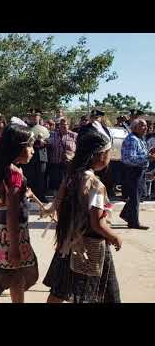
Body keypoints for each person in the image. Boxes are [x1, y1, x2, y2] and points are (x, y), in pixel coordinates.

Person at [43, 129, 122, 303]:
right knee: (104, 294)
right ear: (99, 156)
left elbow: (59, 207)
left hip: (69, 243)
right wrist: (115, 236)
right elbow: (97, 224)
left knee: (60, 289)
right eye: (108, 153)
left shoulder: (71, 177)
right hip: (91, 247)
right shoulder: (96, 185)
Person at [0, 123, 38, 303]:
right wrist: (14, 249)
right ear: (18, 148)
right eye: (29, 145)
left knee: (16, 280)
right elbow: (12, 213)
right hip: (11, 240)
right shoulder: (14, 175)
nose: (33, 150)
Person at [120, 119, 154, 229]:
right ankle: (134, 222)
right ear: (134, 128)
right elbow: (129, 158)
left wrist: (149, 156)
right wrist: (147, 157)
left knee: (141, 194)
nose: (146, 128)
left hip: (140, 170)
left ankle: (126, 214)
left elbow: (141, 154)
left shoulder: (141, 139)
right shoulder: (132, 139)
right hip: (133, 171)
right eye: (142, 126)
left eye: (146, 126)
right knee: (135, 197)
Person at [22, 109, 48, 202]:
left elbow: (48, 141)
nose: (34, 118)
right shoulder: (25, 128)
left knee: (41, 176)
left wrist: (43, 142)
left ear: (39, 117)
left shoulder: (44, 129)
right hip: (30, 155)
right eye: (32, 116)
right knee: (29, 176)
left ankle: (40, 196)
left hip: (42, 156)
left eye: (36, 116)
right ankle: (29, 196)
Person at [47, 117, 78, 193]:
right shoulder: (52, 135)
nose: (64, 126)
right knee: (55, 184)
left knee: (68, 183)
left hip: (69, 164)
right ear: (59, 126)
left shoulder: (74, 135)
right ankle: (56, 199)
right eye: (62, 124)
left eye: (66, 124)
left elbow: (79, 149)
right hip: (55, 163)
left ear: (69, 125)